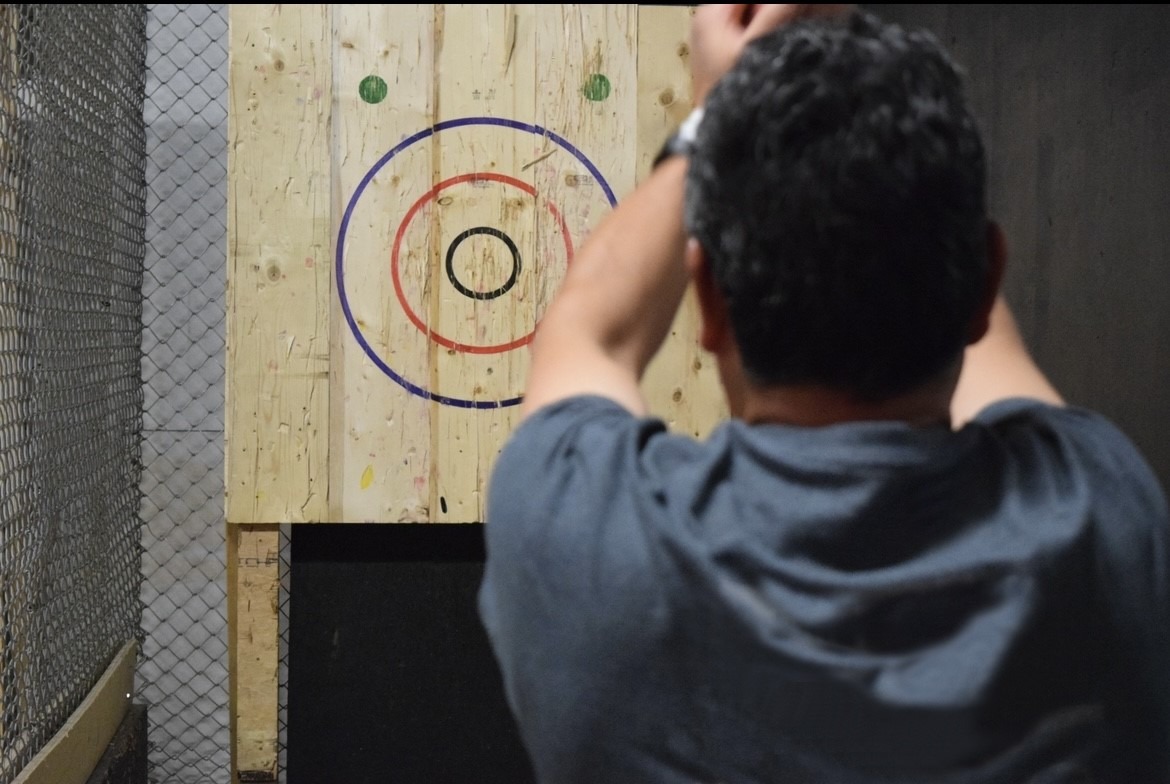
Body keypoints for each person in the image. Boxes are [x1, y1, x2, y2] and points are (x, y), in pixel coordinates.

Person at [477, 5, 1170, 782]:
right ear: (984, 282)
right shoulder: (1098, 517)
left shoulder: (589, 548)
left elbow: (589, 333)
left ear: (708, 299)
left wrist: (719, 106)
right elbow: (975, 308)